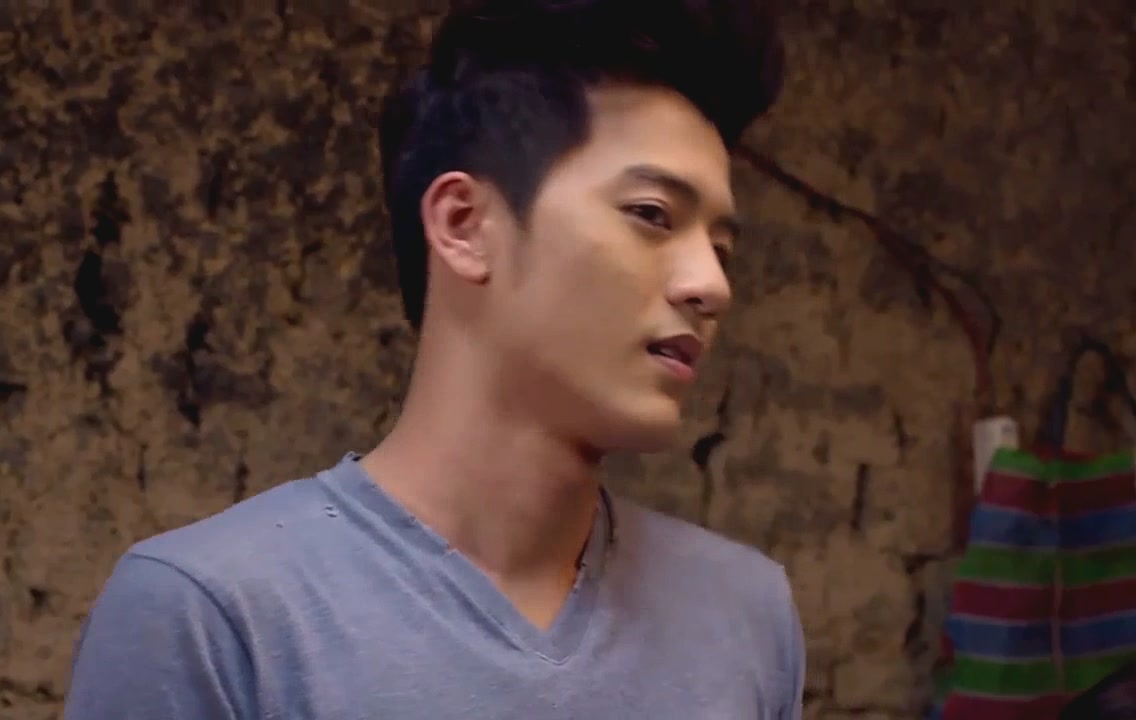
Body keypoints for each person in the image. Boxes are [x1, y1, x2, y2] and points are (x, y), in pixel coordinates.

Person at [63, 0, 801, 717]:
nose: (711, 285)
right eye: (652, 215)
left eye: (722, 248)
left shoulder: (743, 616)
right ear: (464, 225)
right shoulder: (214, 617)